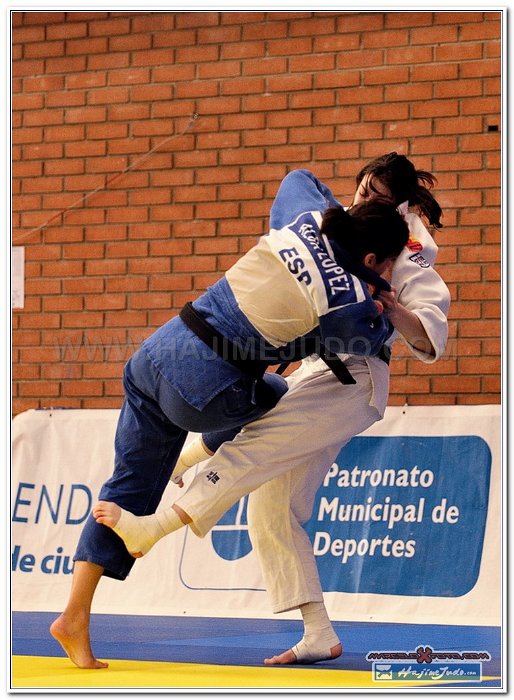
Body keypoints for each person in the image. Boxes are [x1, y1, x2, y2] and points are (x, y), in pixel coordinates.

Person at [89, 155, 450, 664]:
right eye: (364, 187)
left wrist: (391, 307)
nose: (365, 199)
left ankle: (158, 521)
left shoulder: (411, 248)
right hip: (323, 371)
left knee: (257, 447)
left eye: (379, 197)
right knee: (271, 509)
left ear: (402, 204)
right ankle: (319, 632)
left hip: (356, 377)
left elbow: (431, 335)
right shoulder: (336, 215)